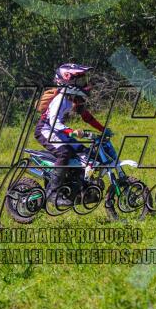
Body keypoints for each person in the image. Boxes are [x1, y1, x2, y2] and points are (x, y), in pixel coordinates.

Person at [34, 63, 111, 205]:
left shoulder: (73, 97)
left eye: (83, 80)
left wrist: (103, 129)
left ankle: (79, 187)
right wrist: (72, 132)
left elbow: (86, 116)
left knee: (85, 152)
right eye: (79, 80)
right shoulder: (60, 99)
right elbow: (54, 122)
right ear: (67, 81)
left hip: (58, 130)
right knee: (64, 153)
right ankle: (53, 192)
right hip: (45, 129)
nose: (83, 84)